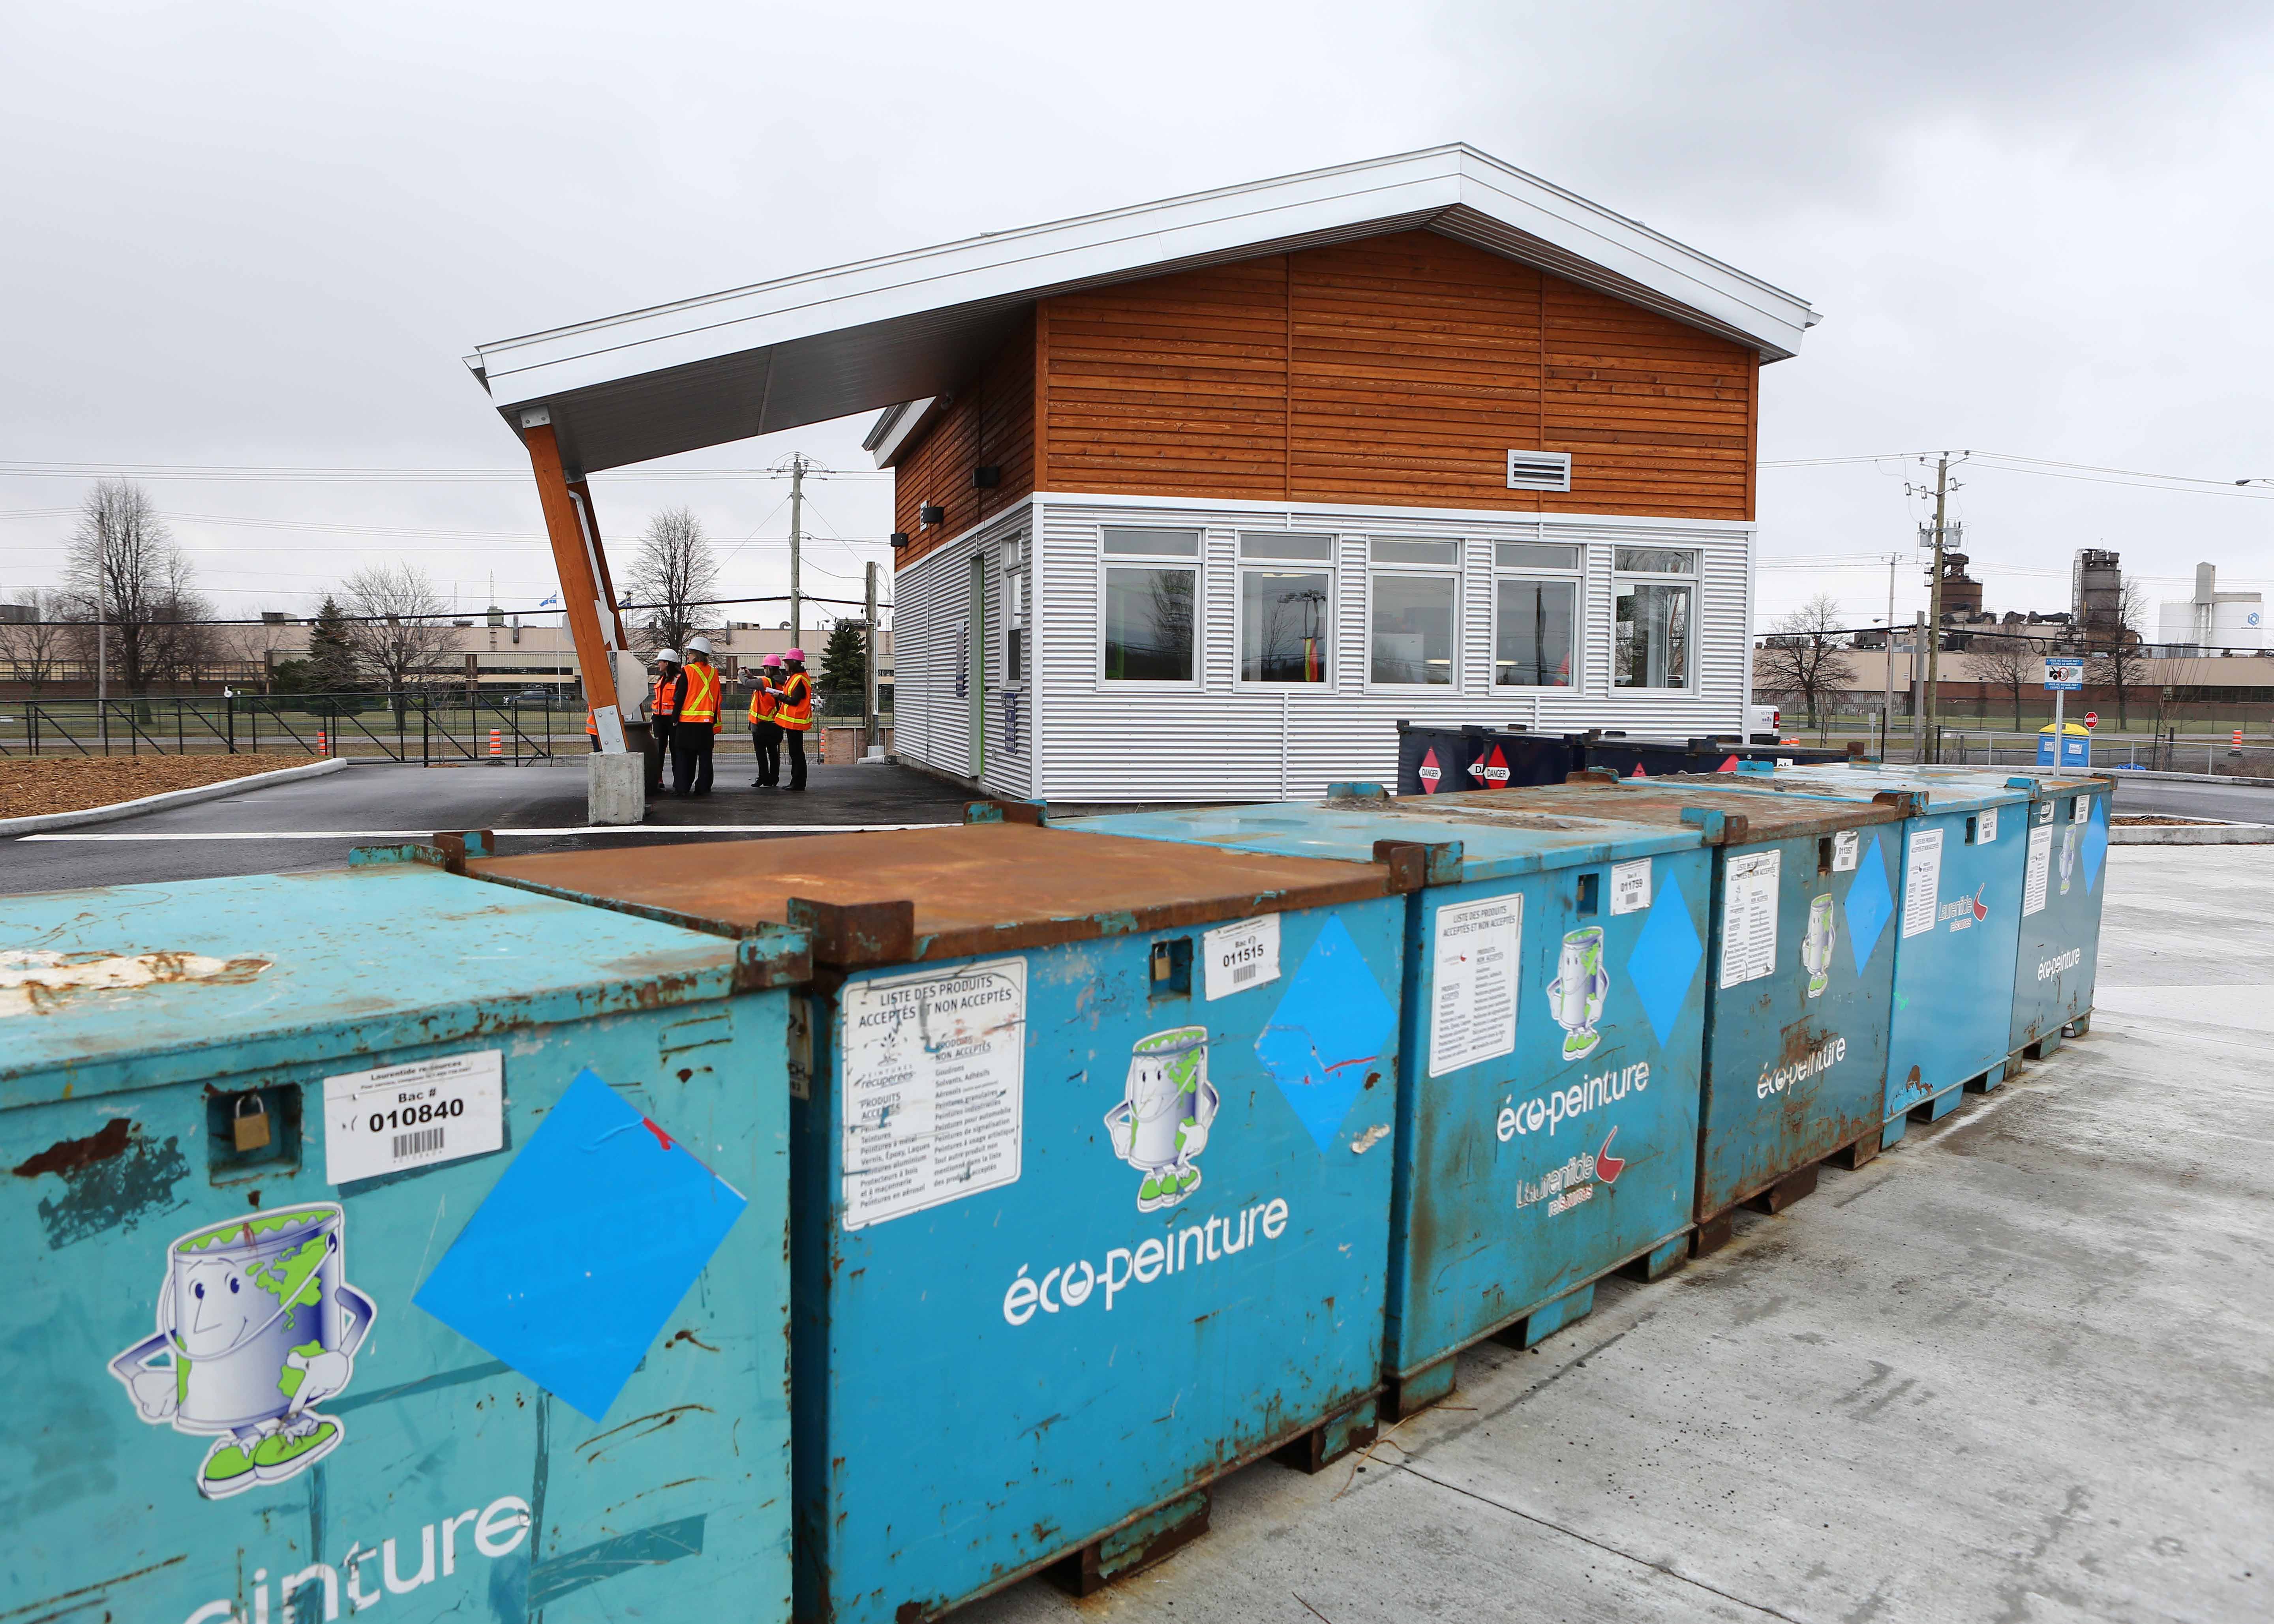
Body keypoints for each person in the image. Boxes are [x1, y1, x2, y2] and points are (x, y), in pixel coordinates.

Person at [668, 636, 720, 796]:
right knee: (705, 758)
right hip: (706, 723)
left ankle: (683, 787)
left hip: (687, 723)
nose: (688, 656)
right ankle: (703, 787)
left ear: (696, 654)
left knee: (685, 757)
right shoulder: (714, 673)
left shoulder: (688, 671)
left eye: (690, 653)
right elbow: (717, 697)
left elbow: (680, 696)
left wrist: (674, 718)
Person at [775, 647, 814, 792]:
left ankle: (798, 783)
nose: (785, 664)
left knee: (796, 753)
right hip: (793, 721)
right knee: (796, 752)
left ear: (794, 662)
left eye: (787, 662)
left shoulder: (799, 679)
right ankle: (796, 782)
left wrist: (780, 697)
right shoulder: (797, 677)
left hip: (796, 721)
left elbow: (795, 701)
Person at [647, 648, 681, 795]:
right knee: (659, 750)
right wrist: (653, 717)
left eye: (660, 661)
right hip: (659, 719)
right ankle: (658, 779)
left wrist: (676, 718)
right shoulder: (661, 679)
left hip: (673, 720)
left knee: (675, 749)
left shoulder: (679, 679)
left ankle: (678, 780)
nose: (658, 664)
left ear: (667, 663)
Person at [749, 653, 783, 789]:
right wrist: (752, 676)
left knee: (761, 754)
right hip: (777, 725)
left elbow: (747, 683)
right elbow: (760, 684)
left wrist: (742, 674)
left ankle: (763, 777)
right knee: (774, 753)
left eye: (765, 668)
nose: (764, 670)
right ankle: (773, 778)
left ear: (769, 668)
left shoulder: (764, 682)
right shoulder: (782, 683)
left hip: (761, 725)